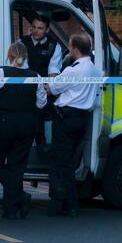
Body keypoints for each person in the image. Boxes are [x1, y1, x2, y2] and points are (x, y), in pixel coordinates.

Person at [0, 41, 46, 219]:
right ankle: (12, 207)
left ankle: (18, 199)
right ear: (26, 56)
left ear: (9, 55)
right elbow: (41, 103)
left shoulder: (2, 72)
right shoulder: (36, 76)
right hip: (26, 124)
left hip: (3, 123)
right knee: (17, 167)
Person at [45, 33, 98, 218]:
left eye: (69, 46)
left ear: (75, 49)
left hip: (64, 119)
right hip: (81, 119)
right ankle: (66, 203)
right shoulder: (94, 69)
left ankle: (67, 204)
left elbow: (51, 88)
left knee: (61, 163)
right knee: (69, 162)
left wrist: (45, 82)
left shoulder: (72, 70)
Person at [20, 13, 63, 148]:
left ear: (47, 29)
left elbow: (53, 71)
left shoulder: (54, 46)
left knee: (41, 113)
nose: (36, 31)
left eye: (40, 28)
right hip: (25, 87)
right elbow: (22, 68)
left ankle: (42, 143)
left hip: (44, 89)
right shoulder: (21, 43)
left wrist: (47, 89)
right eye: (34, 27)